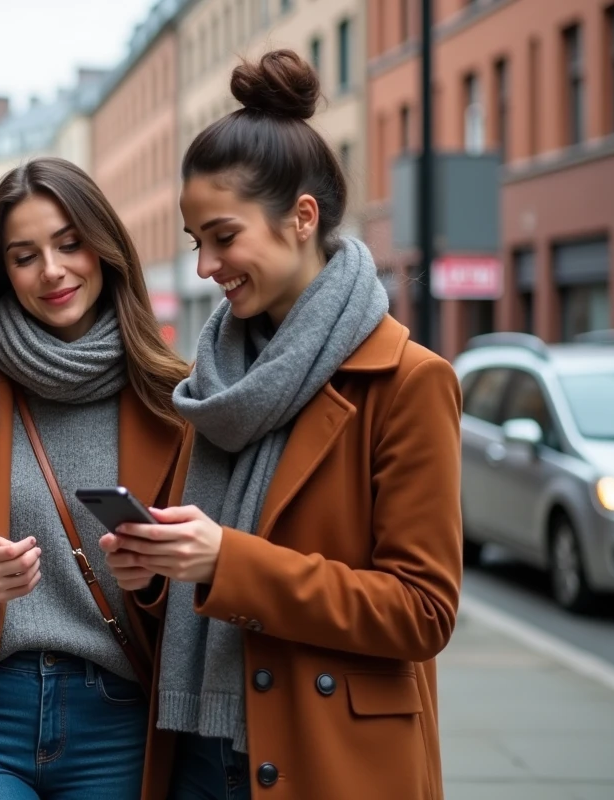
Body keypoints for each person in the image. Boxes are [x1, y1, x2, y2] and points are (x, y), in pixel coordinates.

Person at [100, 51, 463, 800]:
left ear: (302, 218)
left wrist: (225, 561)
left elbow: (421, 613)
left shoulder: (409, 382)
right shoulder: (216, 383)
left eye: (223, 237)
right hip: (198, 753)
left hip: (329, 760)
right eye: (195, 239)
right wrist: (154, 575)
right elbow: (206, 581)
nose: (205, 265)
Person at [0, 157, 190, 800]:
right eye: (25, 255)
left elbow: (207, 589)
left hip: (119, 714)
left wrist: (153, 580)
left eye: (68, 243)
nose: (52, 271)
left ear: (104, 248)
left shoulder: (177, 401)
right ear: (3, 273)